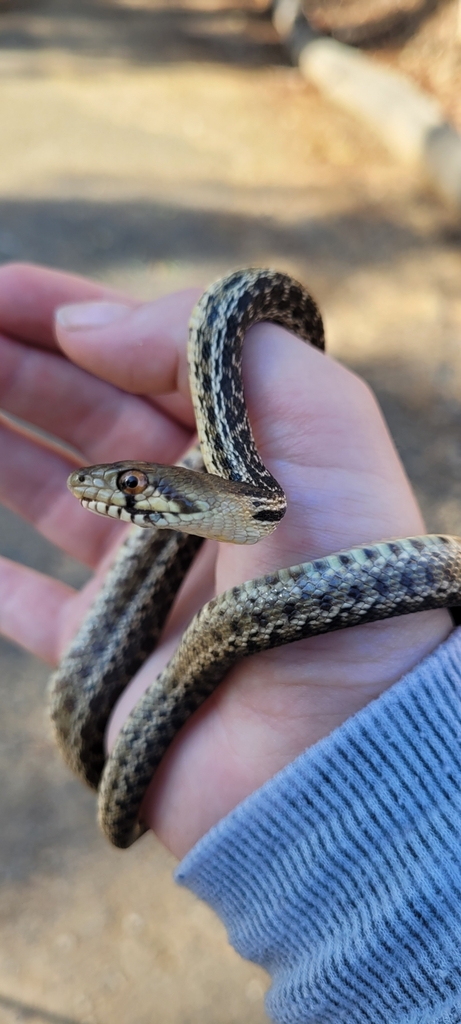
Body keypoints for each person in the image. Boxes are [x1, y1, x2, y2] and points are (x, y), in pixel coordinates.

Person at [0, 261, 460, 1023]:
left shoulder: (248, 488)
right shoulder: (225, 495)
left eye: (129, 492)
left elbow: (250, 507)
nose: (117, 502)